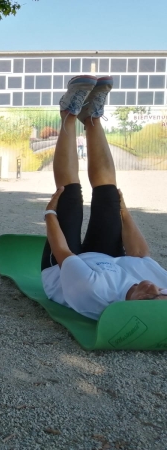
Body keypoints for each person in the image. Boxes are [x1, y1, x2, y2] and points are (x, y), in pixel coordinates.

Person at [42, 75, 167, 320]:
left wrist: (49, 214)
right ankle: (92, 117)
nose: (152, 288)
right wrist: (124, 211)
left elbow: (63, 252)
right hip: (109, 260)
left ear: (130, 308)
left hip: (64, 265)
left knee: (68, 195)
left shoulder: (95, 292)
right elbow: (140, 255)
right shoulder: (160, 289)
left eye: (147, 296)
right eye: (160, 294)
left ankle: (68, 112)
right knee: (110, 194)